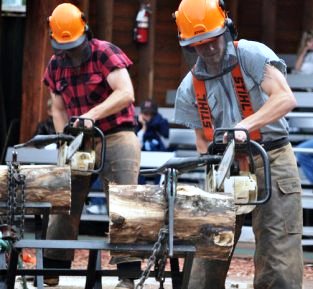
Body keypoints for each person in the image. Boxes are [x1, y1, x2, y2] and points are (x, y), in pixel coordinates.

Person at [173, 0, 303, 289]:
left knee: (277, 245)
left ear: (226, 29)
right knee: (209, 246)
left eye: (212, 40)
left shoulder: (252, 55)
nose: (208, 49)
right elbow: (201, 141)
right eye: (199, 43)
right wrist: (217, 167)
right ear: (189, 45)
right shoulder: (188, 87)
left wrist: (245, 125)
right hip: (224, 165)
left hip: (271, 157)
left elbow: (284, 98)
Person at [43, 3, 141, 289]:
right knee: (64, 200)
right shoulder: (55, 65)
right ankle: (52, 268)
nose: (69, 52)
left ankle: (128, 274)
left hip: (116, 134)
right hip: (80, 140)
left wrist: (91, 115)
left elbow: (126, 93)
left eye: (73, 45)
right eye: (64, 47)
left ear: (84, 32)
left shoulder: (104, 52)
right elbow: (57, 107)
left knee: (124, 201)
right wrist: (65, 139)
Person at [136, 99, 169, 184]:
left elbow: (166, 135)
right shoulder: (137, 124)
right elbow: (137, 144)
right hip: (141, 161)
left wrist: (151, 123)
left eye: (151, 114)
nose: (148, 116)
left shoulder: (160, 123)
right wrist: (144, 126)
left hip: (158, 160)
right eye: (146, 113)